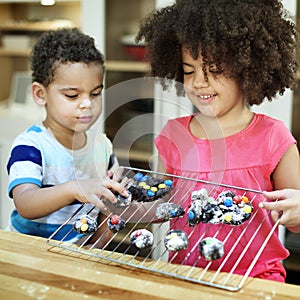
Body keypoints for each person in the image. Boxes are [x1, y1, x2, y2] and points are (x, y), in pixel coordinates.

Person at [136, 0, 300, 282]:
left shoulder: (273, 137)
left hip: (256, 281)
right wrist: (124, 199)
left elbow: (295, 216)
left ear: (247, 68)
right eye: (189, 71)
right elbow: (160, 206)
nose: (199, 82)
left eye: (214, 70)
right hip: (186, 276)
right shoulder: (173, 136)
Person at [6, 28, 127, 243]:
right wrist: (74, 188)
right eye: (72, 95)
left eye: (95, 93)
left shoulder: (102, 146)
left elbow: (107, 209)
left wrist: (95, 250)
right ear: (40, 94)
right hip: (29, 254)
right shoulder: (31, 145)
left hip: (78, 253)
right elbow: (25, 203)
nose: (87, 104)